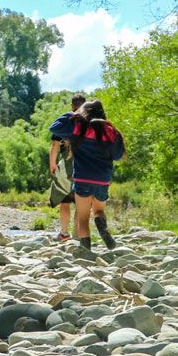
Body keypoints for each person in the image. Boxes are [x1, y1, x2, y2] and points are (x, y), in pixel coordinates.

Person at [49, 100, 126, 251]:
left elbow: (54, 127)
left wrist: (73, 114)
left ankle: (86, 249)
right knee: (98, 211)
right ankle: (102, 228)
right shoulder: (111, 131)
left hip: (82, 178)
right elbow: (117, 155)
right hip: (103, 179)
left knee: (83, 217)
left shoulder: (79, 127)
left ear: (85, 112)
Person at [49, 93, 86, 241]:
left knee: (64, 201)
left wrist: (52, 165)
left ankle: (64, 233)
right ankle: (78, 234)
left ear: (72, 106)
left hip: (65, 168)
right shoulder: (89, 124)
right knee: (81, 203)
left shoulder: (64, 123)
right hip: (84, 167)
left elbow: (54, 147)